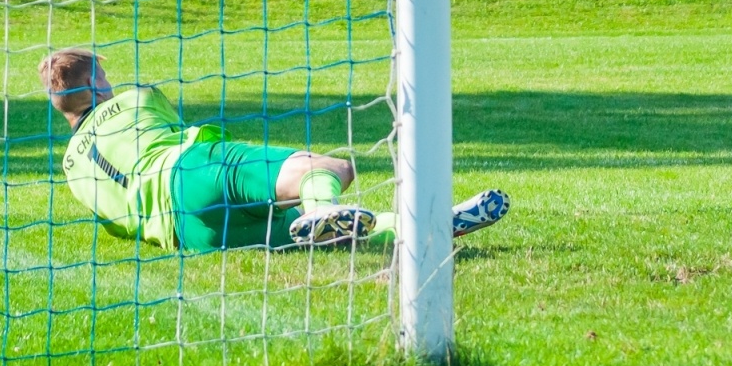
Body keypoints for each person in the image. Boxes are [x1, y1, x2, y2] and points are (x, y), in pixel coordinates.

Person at [38, 47, 509, 252]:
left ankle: (424, 232)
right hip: (191, 169)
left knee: (346, 236)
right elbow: (170, 124)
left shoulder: (71, 169)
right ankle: (322, 208)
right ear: (97, 83)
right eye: (102, 74)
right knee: (326, 168)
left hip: (191, 235)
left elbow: (116, 226)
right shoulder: (136, 98)